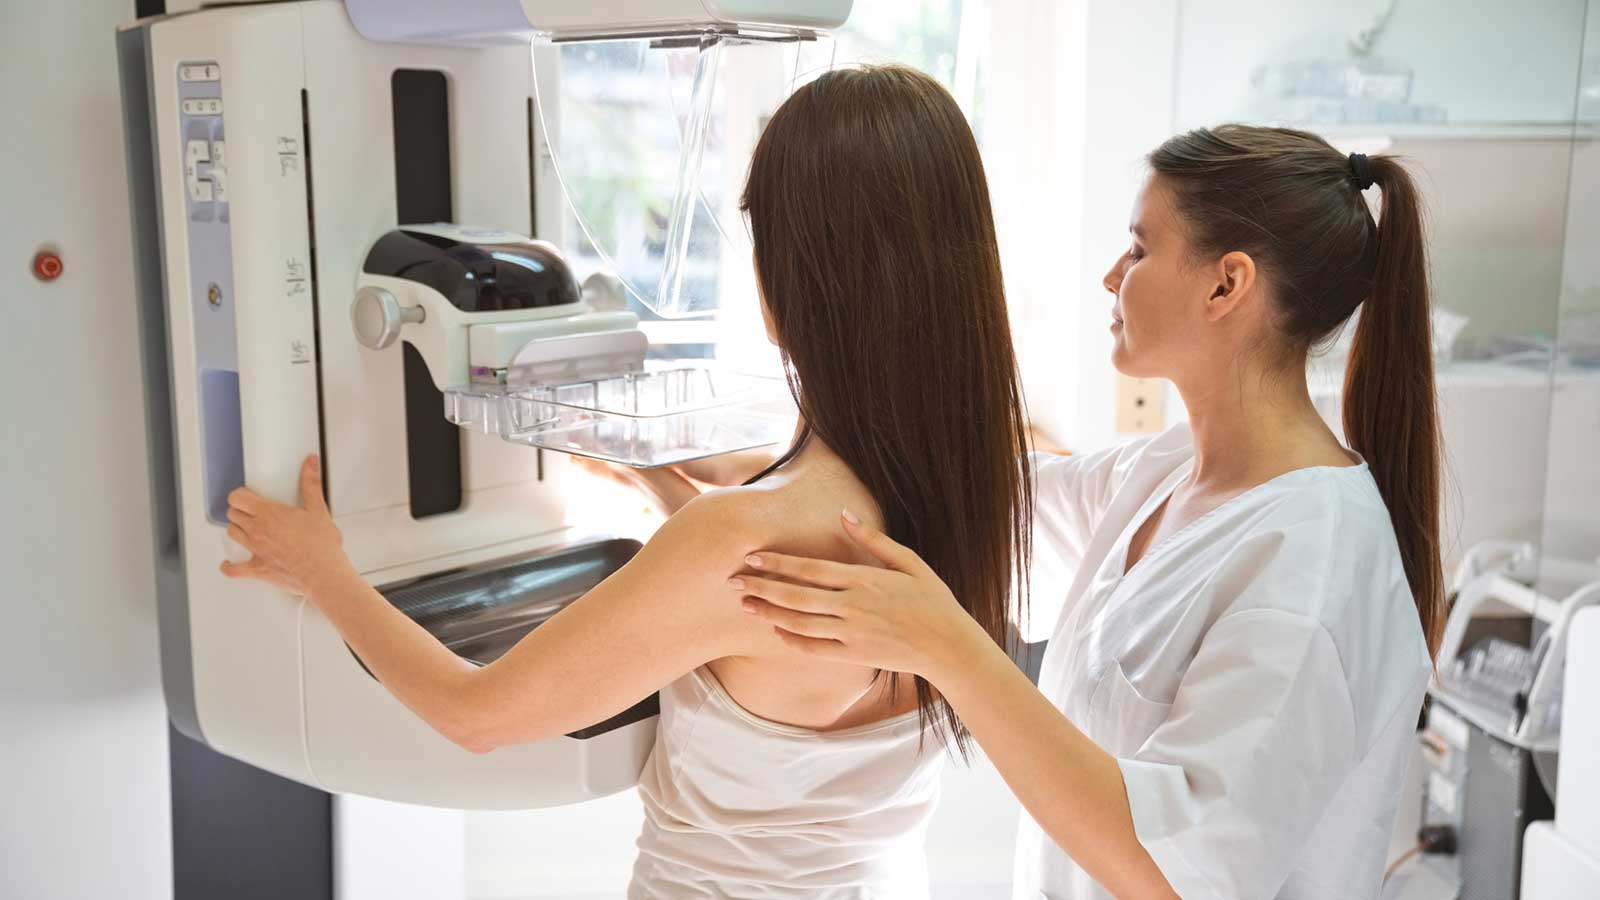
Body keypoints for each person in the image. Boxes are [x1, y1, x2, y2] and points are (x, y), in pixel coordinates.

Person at [218, 64, 1032, 898]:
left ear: (793, 285)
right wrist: (661, 485)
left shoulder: (737, 539)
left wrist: (323, 572)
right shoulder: (970, 499)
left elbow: (477, 715)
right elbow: (781, 627)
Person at [737, 125, 1442, 899]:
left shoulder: (1309, 572)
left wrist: (950, 647)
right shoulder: (1172, 472)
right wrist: (710, 471)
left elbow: (1176, 876)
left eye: (1139, 250)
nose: (1112, 277)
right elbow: (992, 500)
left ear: (1225, 285)